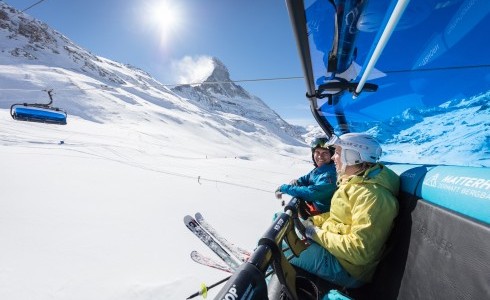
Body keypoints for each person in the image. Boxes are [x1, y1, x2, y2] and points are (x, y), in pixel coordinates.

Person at [291, 132, 400, 288]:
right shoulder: (355, 182)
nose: (334, 157)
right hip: (337, 252)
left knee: (281, 246)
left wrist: (315, 233)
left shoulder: (373, 196)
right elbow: (338, 214)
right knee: (282, 222)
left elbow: (359, 251)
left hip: (349, 269)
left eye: (338, 152)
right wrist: (313, 221)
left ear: (353, 156)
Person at [275, 137, 337, 215]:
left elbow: (311, 193)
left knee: (280, 216)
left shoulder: (330, 174)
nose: (320, 156)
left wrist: (284, 188)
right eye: (317, 152)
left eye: (325, 153)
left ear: (331, 155)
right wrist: (297, 182)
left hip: (323, 213)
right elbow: (305, 179)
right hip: (313, 207)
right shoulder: (319, 170)